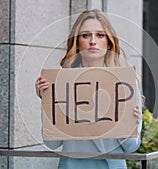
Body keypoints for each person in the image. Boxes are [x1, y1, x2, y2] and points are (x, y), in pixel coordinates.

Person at [35, 9, 143, 169]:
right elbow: (52, 143)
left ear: (109, 42)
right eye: (85, 35)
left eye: (100, 35)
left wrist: (128, 124)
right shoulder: (59, 83)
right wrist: (47, 105)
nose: (93, 41)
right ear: (77, 42)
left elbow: (132, 146)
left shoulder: (126, 83)